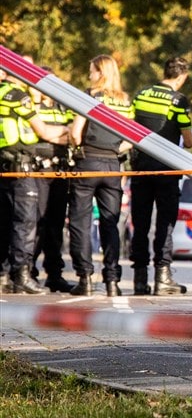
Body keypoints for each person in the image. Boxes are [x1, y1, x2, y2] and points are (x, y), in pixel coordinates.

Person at [67, 55, 135, 297]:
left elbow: (76, 133)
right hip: (112, 166)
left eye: (91, 71)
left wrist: (76, 146)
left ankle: (84, 278)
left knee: (80, 221)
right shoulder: (124, 101)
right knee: (110, 223)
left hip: (87, 162)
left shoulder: (89, 96)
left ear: (100, 73)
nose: (89, 76)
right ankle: (112, 282)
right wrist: (114, 150)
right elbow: (131, 139)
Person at [0, 66, 71, 294]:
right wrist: (72, 132)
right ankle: (21, 275)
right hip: (21, 167)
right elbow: (43, 132)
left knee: (4, 222)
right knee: (25, 223)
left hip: (4, 165)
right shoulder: (18, 96)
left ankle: (3, 275)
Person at [129, 56, 192, 296]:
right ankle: (163, 277)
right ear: (182, 76)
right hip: (167, 169)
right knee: (165, 225)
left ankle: (139, 279)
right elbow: (188, 140)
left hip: (141, 168)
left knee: (141, 224)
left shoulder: (142, 94)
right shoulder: (178, 100)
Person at [29, 79, 77, 292]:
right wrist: (58, 133)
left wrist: (53, 134)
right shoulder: (32, 106)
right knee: (36, 223)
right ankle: (28, 271)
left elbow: (72, 135)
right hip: (39, 171)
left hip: (59, 172)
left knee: (56, 225)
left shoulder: (62, 109)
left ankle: (54, 274)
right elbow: (40, 133)